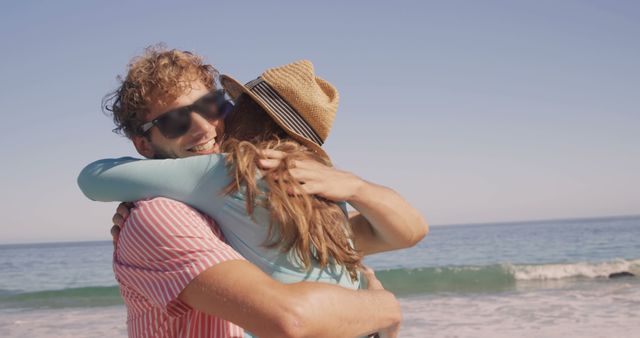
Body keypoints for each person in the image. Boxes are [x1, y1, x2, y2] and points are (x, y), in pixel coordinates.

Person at [79, 46, 427, 337]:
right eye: (175, 120)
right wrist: (381, 305)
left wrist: (357, 187)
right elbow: (408, 233)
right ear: (144, 144)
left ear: (236, 111)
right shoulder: (311, 196)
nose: (204, 128)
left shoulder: (229, 179)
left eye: (213, 106)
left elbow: (93, 178)